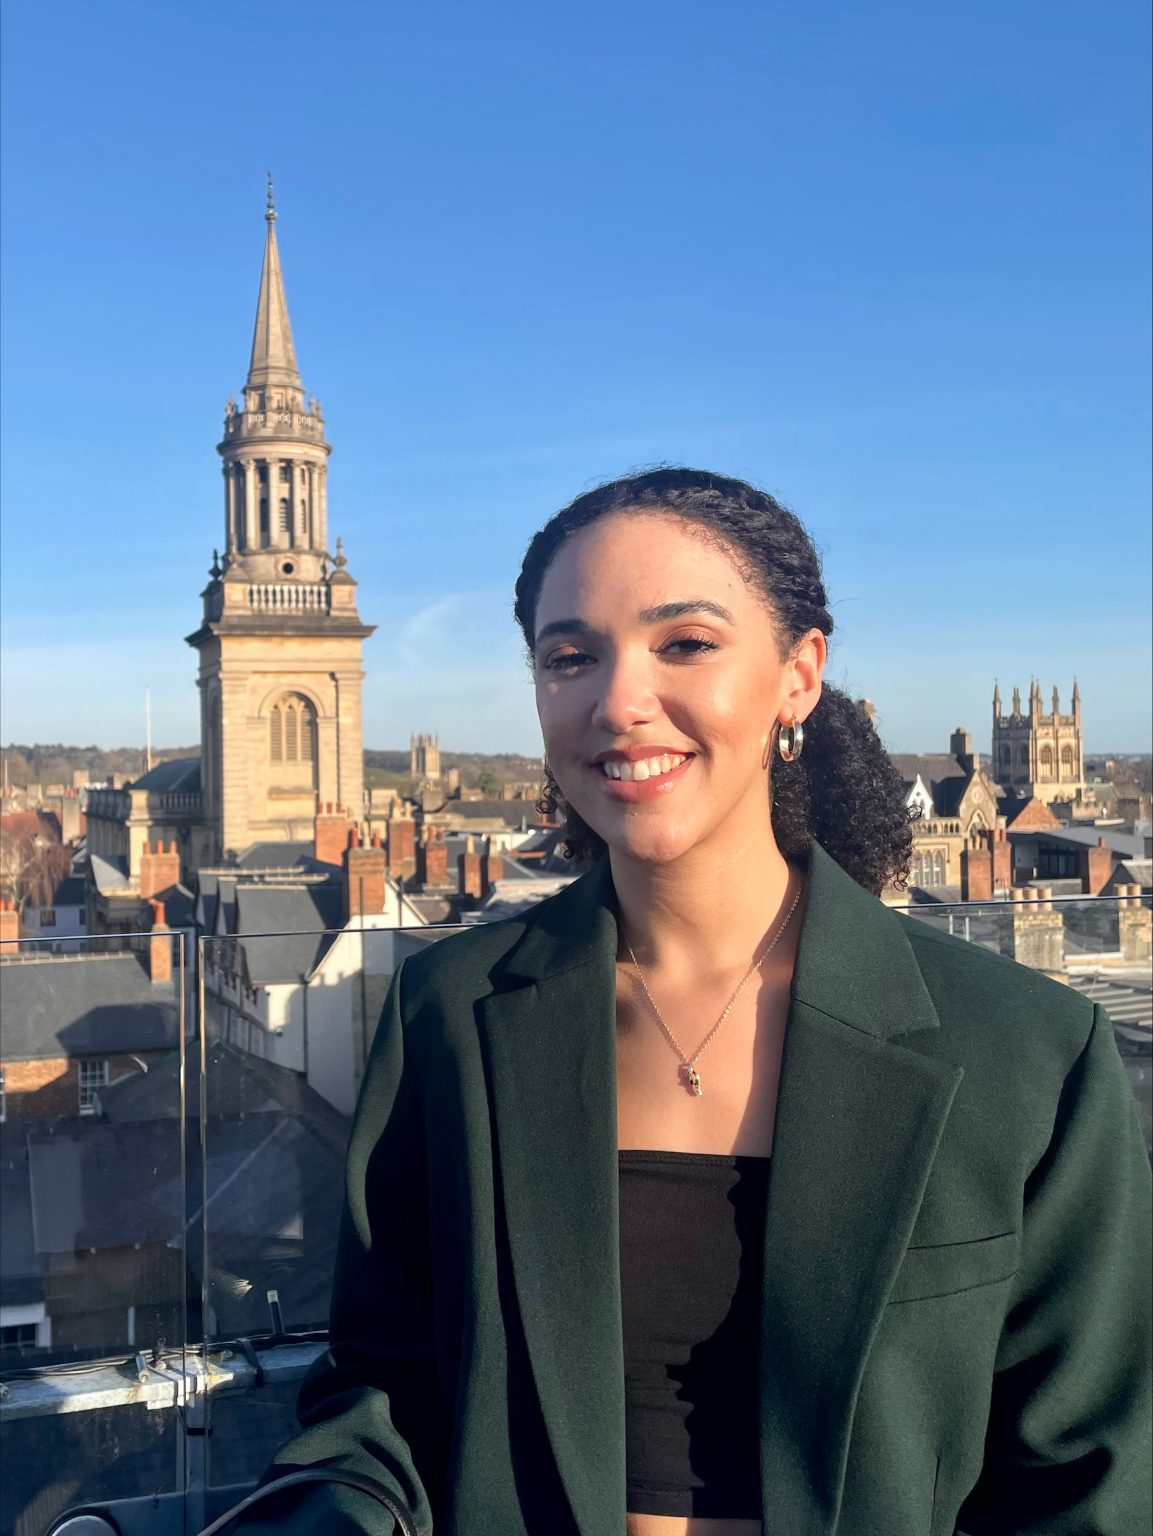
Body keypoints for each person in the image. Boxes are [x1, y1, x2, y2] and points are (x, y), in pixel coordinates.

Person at [243, 468, 1151, 1535]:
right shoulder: (446, 1016)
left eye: (684, 644)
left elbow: (1086, 1482)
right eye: (570, 657)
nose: (619, 701)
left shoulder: (1028, 1053)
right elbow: (382, 1391)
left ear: (798, 676)